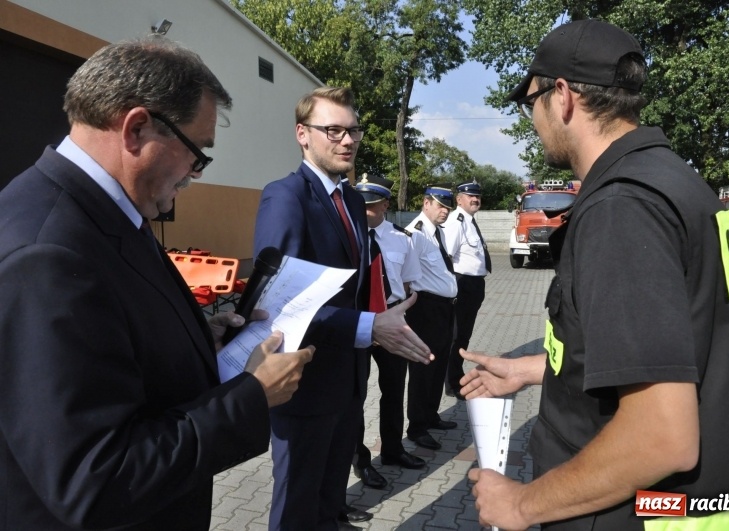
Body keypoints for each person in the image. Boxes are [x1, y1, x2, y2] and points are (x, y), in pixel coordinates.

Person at [461, 19, 729, 530]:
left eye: (532, 101)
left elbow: (661, 437)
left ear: (561, 96)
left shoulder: (622, 208)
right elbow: (669, 345)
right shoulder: (679, 182)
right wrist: (532, 370)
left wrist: (521, 504)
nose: (534, 117)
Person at [0, 37, 314, 531]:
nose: (195, 173)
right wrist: (251, 396)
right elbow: (97, 480)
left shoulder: (106, 211)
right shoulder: (48, 253)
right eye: (197, 152)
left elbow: (111, 345)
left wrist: (198, 342)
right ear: (137, 127)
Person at [253, 87, 432, 530]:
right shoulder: (286, 197)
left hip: (349, 381)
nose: (347, 140)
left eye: (352, 130)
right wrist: (369, 327)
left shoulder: (353, 200)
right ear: (303, 135)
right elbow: (278, 303)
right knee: (297, 505)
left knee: (330, 501)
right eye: (332, 130)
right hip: (304, 384)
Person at [350, 174, 426, 492]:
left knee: (394, 389)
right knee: (355, 396)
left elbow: (410, 285)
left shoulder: (401, 238)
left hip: (391, 319)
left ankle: (393, 450)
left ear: (384, 204)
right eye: (359, 204)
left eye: (369, 205)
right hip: (357, 322)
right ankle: (360, 460)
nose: (363, 210)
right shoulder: (345, 237)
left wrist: (401, 317)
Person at [404, 185, 459, 451]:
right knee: (423, 368)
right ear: (426, 203)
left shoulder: (437, 232)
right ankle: (416, 427)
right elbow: (407, 274)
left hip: (443, 308)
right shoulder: (415, 233)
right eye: (440, 205)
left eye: (448, 207)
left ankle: (430, 415)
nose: (445, 211)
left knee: (439, 365)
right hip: (425, 308)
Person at [441, 180, 491, 400]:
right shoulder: (456, 221)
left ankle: (455, 376)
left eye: (477, 196)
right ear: (459, 199)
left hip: (474, 284)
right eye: (470, 196)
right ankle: (452, 383)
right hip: (462, 284)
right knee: (456, 335)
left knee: (464, 335)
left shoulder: (470, 221)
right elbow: (446, 257)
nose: (475, 199)